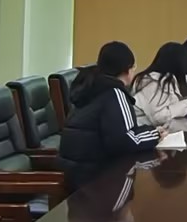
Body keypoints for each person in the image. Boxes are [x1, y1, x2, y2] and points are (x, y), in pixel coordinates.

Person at [59, 41, 162, 182]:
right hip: (97, 178)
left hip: (74, 174)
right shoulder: (114, 93)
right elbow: (125, 141)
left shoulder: (90, 87)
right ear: (127, 70)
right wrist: (156, 134)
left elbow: (120, 133)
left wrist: (147, 131)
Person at [131, 42, 187, 127]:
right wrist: (186, 104)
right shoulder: (153, 82)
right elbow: (158, 117)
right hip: (144, 130)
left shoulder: (166, 80)